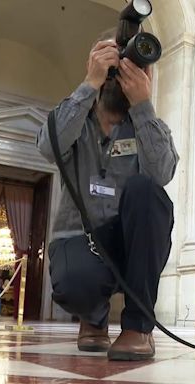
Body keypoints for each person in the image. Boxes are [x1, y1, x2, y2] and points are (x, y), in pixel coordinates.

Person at [36, 30, 179, 361]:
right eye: (115, 60)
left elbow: (163, 174)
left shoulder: (148, 125)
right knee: (75, 283)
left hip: (129, 245)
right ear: (95, 61)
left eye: (135, 64)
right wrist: (89, 84)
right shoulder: (74, 118)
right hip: (81, 240)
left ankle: (138, 328)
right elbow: (47, 147)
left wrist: (143, 106)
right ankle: (93, 316)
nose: (123, 70)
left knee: (146, 190)